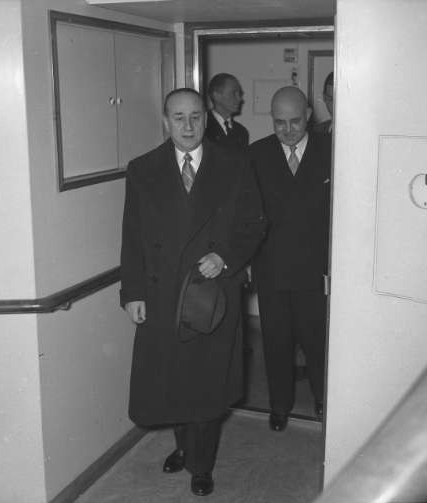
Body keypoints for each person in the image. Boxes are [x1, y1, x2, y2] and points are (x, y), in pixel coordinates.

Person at [120, 88, 266, 496]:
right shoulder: (142, 169)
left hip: (210, 293)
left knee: (205, 382)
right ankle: (184, 447)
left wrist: (225, 257)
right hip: (164, 294)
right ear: (165, 121)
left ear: (206, 118)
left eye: (196, 116)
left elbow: (255, 223)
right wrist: (132, 292)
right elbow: (132, 235)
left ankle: (201, 464)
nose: (188, 126)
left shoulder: (234, 163)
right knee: (173, 380)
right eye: (178, 117)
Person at [250, 86, 331, 432]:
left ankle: (324, 399)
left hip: (317, 271)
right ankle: (279, 405)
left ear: (308, 115)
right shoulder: (256, 154)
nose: (287, 130)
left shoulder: (332, 150)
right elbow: (247, 214)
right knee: (276, 342)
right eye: (279, 122)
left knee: (317, 341)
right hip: (273, 269)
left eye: (294, 121)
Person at [205, 73, 249, 150]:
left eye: (239, 94)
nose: (239, 99)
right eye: (234, 93)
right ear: (216, 96)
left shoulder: (241, 131)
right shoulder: (204, 126)